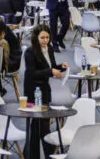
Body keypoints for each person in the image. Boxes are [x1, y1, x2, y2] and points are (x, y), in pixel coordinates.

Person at [22, 25, 68, 159]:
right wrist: (50, 71)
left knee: (38, 126)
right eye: (42, 37)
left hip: (45, 90)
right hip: (33, 91)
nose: (45, 40)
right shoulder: (30, 52)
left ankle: (30, 154)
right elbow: (32, 73)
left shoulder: (50, 49)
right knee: (42, 126)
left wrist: (61, 67)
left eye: (47, 37)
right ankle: (49, 155)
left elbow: (51, 67)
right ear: (36, 38)